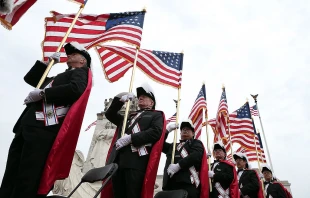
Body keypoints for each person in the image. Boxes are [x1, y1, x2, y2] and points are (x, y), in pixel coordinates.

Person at [0, 41, 92, 198]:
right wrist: (46, 63)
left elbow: (75, 89)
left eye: (74, 54)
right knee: (12, 174)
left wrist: (43, 94)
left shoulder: (80, 72)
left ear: (83, 60)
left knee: (27, 176)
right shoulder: (59, 77)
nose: (69, 56)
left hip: (42, 129)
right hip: (28, 126)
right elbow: (32, 79)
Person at [101, 82, 166, 198]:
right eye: (139, 96)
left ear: (151, 103)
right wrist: (120, 101)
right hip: (118, 162)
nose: (140, 97)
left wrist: (131, 138)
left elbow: (156, 132)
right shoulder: (128, 116)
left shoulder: (156, 115)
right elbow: (109, 114)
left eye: (144, 96)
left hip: (136, 162)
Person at [162, 120, 209, 198]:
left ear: (193, 133)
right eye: (183, 129)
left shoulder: (196, 143)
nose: (185, 130)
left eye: (188, 129)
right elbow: (159, 145)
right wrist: (167, 131)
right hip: (171, 185)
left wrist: (179, 165)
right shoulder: (173, 146)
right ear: (180, 133)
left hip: (188, 184)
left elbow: (196, 156)